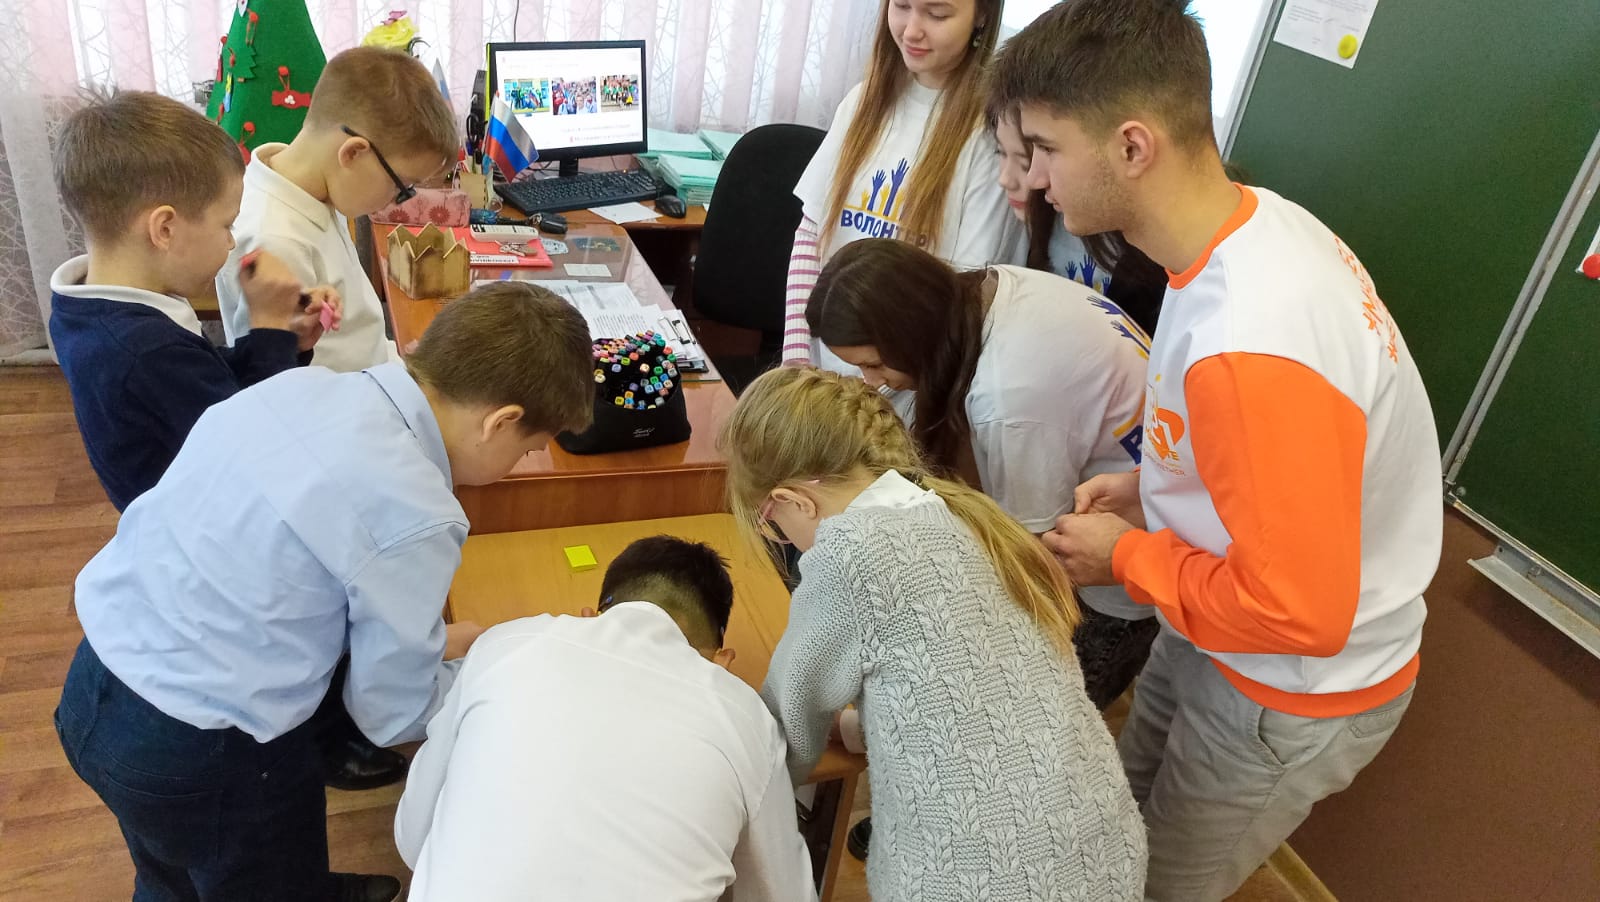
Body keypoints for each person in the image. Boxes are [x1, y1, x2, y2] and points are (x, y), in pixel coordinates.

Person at [994, 3, 1443, 899]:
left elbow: (1298, 613)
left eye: (1044, 148)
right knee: (1119, 829)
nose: (1033, 179)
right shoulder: (1247, 226)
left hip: (1287, 683)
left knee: (1158, 886)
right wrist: (1152, 484)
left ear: (1132, 146)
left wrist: (1125, 556)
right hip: (1214, 626)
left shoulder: (1257, 340)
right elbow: (1264, 465)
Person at [54, 282, 596, 902]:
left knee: (169, 866)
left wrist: (427, 642)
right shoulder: (418, 509)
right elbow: (391, 712)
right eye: (527, 450)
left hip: (97, 682)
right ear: (499, 423)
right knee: (254, 872)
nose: (520, 464)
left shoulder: (298, 387)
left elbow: (286, 570)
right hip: (203, 744)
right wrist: (496, 672)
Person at [721, 366, 1147, 901]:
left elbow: (786, 730)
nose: (780, 534)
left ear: (796, 501)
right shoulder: (962, 513)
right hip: (1101, 847)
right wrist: (864, 728)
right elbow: (972, 688)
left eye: (771, 523)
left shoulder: (850, 551)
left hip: (979, 881)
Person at [807, 237, 1157, 712]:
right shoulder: (984, 294)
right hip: (1125, 517)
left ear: (910, 330)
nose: (872, 381)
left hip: (1109, 591)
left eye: (874, 364)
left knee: (1021, 720)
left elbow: (1030, 562)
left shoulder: (1009, 399)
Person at [395, 537, 816, 902]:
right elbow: (783, 892)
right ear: (721, 661)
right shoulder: (746, 716)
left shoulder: (505, 644)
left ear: (590, 616)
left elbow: (413, 839)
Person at [47, 90, 339, 513]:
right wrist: (270, 325)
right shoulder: (145, 350)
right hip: (208, 525)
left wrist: (287, 343)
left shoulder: (87, 308)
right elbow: (262, 446)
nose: (232, 242)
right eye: (226, 225)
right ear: (165, 229)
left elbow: (208, 377)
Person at [780, 0, 1023, 371]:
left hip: (905, 381)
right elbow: (811, 234)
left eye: (937, 14)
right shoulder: (861, 102)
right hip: (824, 374)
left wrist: (884, 381)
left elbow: (969, 291)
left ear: (982, 16)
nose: (911, 31)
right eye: (902, 6)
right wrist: (797, 359)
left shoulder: (992, 135)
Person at [217, 46, 457, 373]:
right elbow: (280, 381)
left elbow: (355, 328)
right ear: (353, 153)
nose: (397, 200)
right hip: (343, 396)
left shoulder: (319, 189)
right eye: (402, 186)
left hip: (372, 373)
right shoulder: (276, 239)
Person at [988, 100, 1167, 335]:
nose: (1005, 179)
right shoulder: (1039, 227)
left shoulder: (1147, 256)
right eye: (1000, 152)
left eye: (1025, 162)